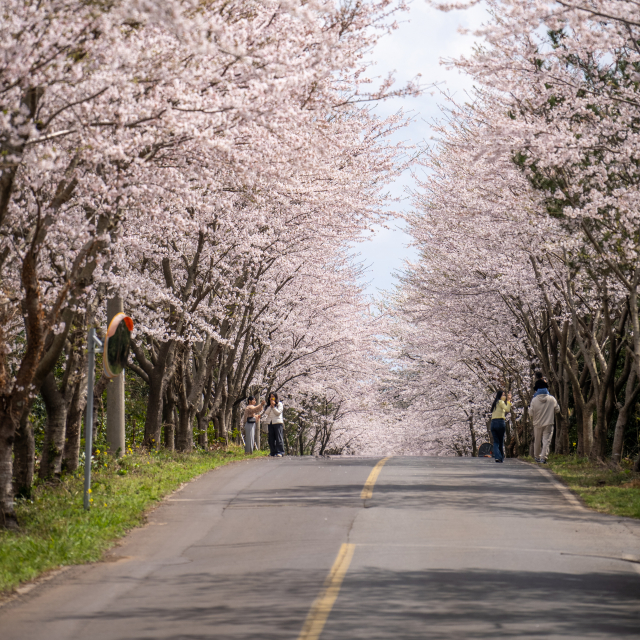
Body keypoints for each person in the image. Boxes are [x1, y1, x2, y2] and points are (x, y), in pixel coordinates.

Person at [529, 379, 560, 464]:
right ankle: (543, 457)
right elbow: (557, 409)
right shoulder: (551, 399)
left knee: (537, 440)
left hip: (537, 423)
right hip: (549, 423)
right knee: (546, 440)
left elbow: (530, 413)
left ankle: (536, 456)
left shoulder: (534, 400)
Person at [490, 389, 512, 463]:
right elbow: (507, 409)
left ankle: (497, 457)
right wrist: (509, 400)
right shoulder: (501, 402)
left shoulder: (495, 403)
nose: (504, 396)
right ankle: (500, 457)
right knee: (500, 441)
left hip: (493, 423)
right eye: (503, 395)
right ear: (500, 395)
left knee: (496, 442)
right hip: (500, 422)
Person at [261, 392, 285, 457]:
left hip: (278, 422)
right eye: (270, 397)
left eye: (273, 396)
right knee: (271, 438)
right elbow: (266, 412)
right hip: (270, 422)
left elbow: (278, 413)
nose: (271, 398)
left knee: (278, 437)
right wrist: (270, 406)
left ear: (276, 397)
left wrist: (274, 407)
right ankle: (272, 452)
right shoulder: (268, 405)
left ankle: (280, 451)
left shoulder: (279, 404)